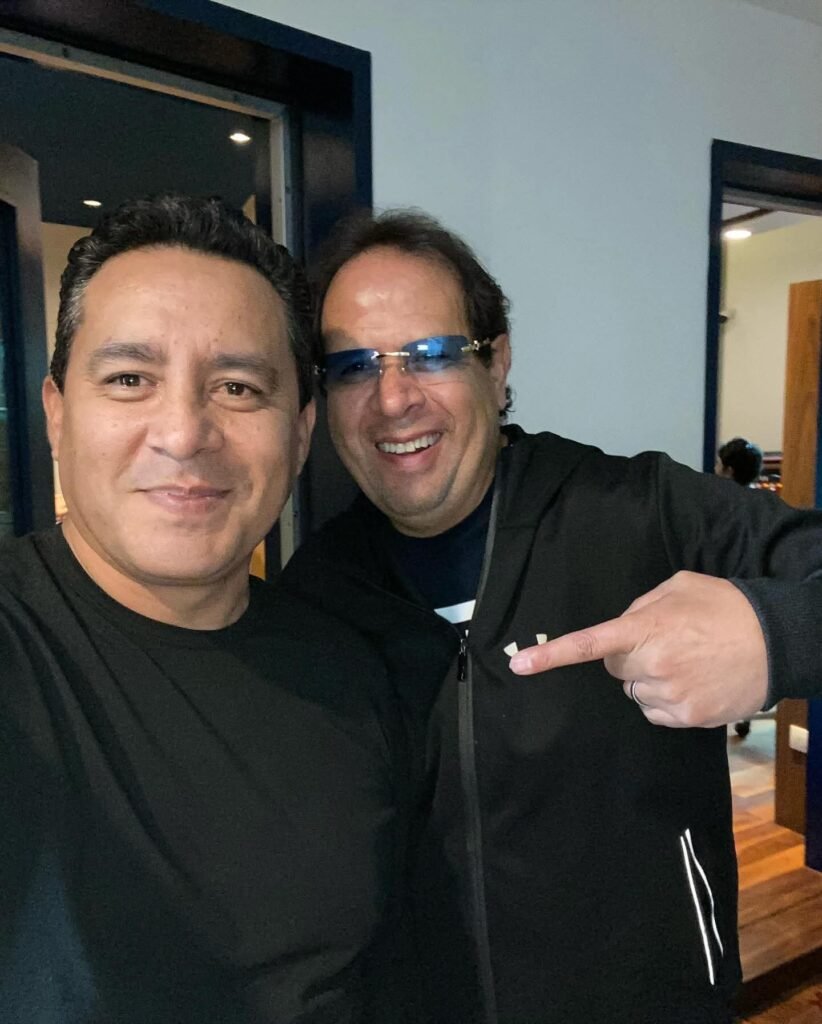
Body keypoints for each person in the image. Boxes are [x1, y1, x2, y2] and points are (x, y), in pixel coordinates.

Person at [280, 209, 822, 1024]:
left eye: (431, 354)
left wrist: (774, 635)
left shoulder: (639, 512)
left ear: (496, 364)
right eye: (354, 367)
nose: (392, 399)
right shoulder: (316, 595)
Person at [0, 195, 414, 1024]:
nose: (185, 433)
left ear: (301, 432)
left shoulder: (352, 671)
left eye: (237, 387)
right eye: (130, 380)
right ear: (56, 414)